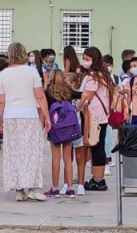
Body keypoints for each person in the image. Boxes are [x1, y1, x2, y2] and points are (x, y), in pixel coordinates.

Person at [0, 42, 50, 202]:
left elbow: (1, 100)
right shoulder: (31, 72)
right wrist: (47, 116)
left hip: (10, 116)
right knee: (31, 151)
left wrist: (0, 119)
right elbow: (40, 95)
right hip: (29, 115)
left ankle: (19, 189)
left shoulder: (3, 74)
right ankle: (33, 187)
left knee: (14, 153)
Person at [76, 46, 114, 192]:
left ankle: (98, 180)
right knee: (98, 147)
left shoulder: (92, 77)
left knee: (95, 147)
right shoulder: (103, 75)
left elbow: (86, 97)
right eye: (84, 59)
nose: (85, 62)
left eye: (88, 59)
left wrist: (76, 107)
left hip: (92, 117)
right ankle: (98, 178)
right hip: (102, 117)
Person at [44, 69, 80, 198]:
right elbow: (84, 95)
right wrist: (78, 108)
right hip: (68, 127)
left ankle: (55, 188)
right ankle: (70, 188)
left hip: (55, 127)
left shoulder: (48, 91)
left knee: (55, 157)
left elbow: (43, 106)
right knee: (68, 159)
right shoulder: (68, 91)